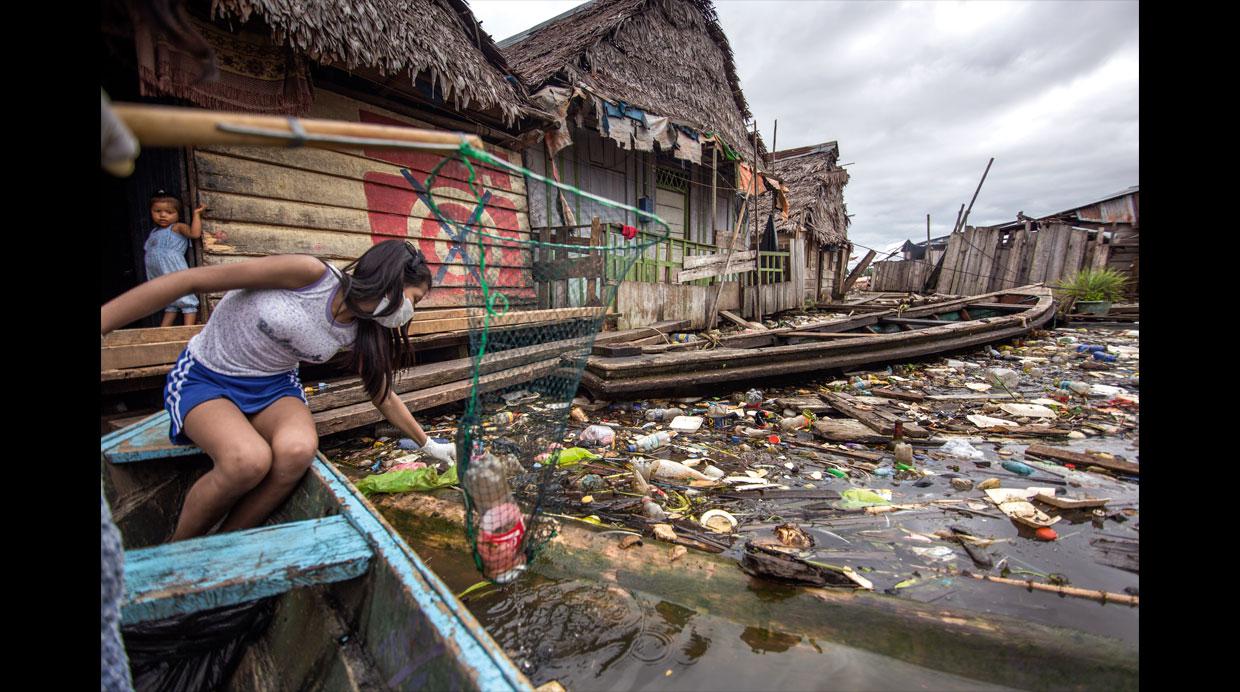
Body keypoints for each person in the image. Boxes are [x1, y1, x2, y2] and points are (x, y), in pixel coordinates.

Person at [100, 240, 457, 541]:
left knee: (297, 451)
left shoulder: (365, 330)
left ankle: (228, 541)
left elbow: (382, 393)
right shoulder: (311, 275)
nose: (410, 311)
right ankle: (178, 550)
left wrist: (428, 445)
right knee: (247, 461)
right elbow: (192, 279)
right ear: (392, 278)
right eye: (415, 299)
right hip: (208, 375)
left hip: (274, 387)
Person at [144, 189, 206, 326]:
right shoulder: (154, 232)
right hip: (158, 272)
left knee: (183, 295)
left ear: (178, 214)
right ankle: (162, 333)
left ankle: (187, 331)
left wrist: (196, 215)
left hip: (172, 267)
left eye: (169, 212)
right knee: (169, 300)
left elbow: (195, 234)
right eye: (157, 211)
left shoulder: (177, 227)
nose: (163, 215)